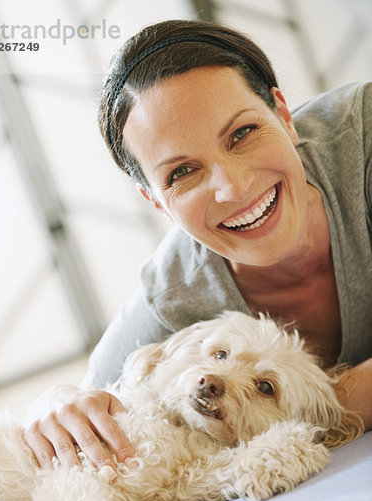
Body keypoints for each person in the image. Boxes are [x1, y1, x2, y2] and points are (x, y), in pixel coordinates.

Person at [24, 19, 372, 475]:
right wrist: (51, 402)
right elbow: (78, 400)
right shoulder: (173, 294)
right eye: (181, 172)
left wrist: (326, 405)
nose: (233, 187)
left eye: (242, 134)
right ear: (156, 202)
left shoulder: (362, 139)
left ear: (283, 115)